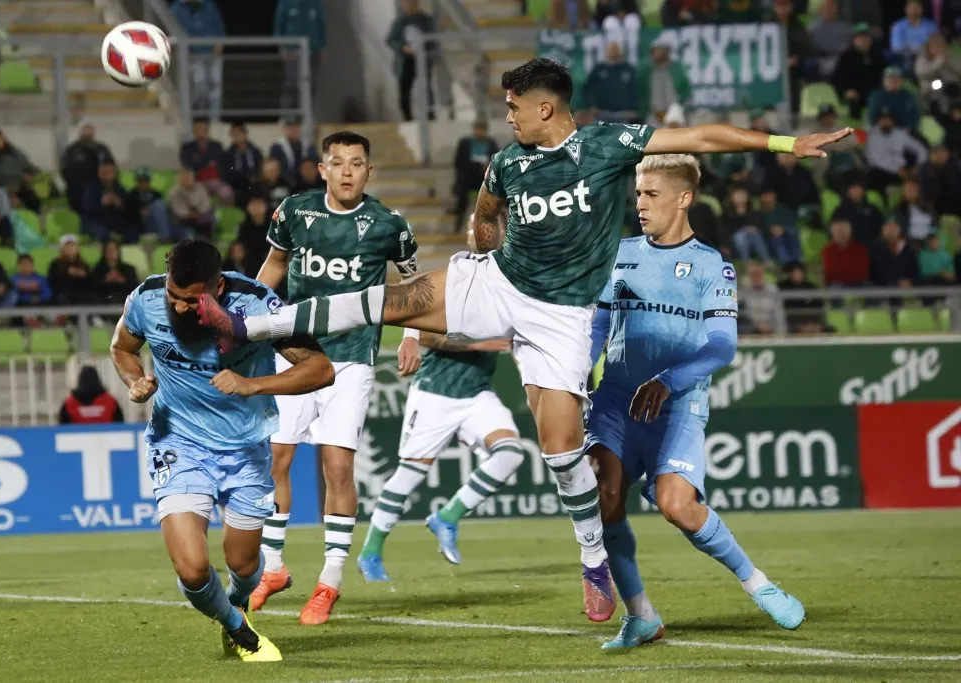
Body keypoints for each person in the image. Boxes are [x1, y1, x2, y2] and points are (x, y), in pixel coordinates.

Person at [198, 58, 848, 627]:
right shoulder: (507, 161)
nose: (506, 116)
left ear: (546, 108)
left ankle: (592, 558)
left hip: (561, 316)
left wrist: (787, 142)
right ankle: (249, 323)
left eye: (514, 107)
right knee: (388, 301)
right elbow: (484, 211)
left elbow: (700, 136)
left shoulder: (605, 146)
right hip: (497, 279)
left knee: (561, 444)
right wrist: (482, 234)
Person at [585, 154, 804, 651]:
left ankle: (757, 581)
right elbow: (598, 325)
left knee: (677, 507)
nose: (640, 204)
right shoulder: (618, 254)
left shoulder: (711, 266)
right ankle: (640, 615)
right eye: (638, 194)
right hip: (617, 400)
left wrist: (668, 378)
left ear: (684, 198)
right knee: (606, 493)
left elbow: (722, 346)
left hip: (678, 402)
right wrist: (579, 367)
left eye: (651, 194)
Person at [109, 238, 334, 662]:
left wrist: (253, 384)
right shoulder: (146, 298)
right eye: (175, 298)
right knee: (192, 568)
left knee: (245, 566)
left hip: (246, 449)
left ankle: (240, 600)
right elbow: (122, 348)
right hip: (177, 443)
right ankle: (239, 630)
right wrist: (135, 379)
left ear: (217, 287)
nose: (179, 308)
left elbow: (320, 369)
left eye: (192, 301)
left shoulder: (256, 307)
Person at [246, 131, 420, 625]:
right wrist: (252, 321)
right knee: (274, 460)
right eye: (338, 162)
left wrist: (411, 335)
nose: (347, 171)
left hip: (351, 360)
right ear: (322, 169)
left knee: (337, 470)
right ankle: (274, 568)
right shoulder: (295, 213)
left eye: (357, 163)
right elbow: (274, 265)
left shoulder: (389, 225)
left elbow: (412, 285)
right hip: (296, 352)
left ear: (370, 172)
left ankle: (330, 580)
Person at [357, 221, 518, 581]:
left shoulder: (509, 279)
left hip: (477, 392)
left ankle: (448, 516)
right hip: (435, 393)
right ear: (468, 235)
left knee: (511, 451)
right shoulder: (456, 277)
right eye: (479, 227)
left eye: (493, 227)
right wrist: (478, 342)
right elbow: (427, 336)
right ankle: (370, 552)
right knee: (410, 475)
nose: (486, 233)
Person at [386, 0, 436, 122]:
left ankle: (430, 117)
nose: (407, 6)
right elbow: (391, 40)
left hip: (422, 60)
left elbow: (433, 40)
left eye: (410, 3)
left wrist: (421, 47)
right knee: (404, 91)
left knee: (426, 88)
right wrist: (403, 47)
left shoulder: (426, 21)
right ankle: (408, 118)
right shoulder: (399, 22)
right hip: (405, 61)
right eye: (405, 3)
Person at [452, 121, 499, 233]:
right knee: (462, 197)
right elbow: (458, 162)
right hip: (468, 176)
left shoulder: (491, 144)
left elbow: (497, 162)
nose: (479, 133)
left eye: (482, 130)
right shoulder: (465, 143)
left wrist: (488, 165)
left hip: (483, 177)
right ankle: (458, 225)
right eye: (478, 130)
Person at [59, 365, 124, 424]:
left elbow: (62, 427)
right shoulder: (110, 401)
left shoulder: (70, 403)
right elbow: (120, 425)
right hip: (106, 436)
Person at [91, 240, 139, 305]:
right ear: (104, 252)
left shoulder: (128, 269)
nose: (111, 252)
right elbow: (93, 287)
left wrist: (122, 281)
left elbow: (135, 288)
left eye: (114, 250)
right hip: (104, 300)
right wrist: (106, 280)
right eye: (109, 250)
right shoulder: (98, 270)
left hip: (124, 300)